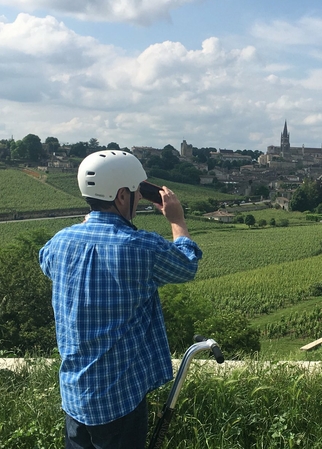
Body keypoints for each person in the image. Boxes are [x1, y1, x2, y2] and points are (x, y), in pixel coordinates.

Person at [39, 150, 202, 449]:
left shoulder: (60, 242)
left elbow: (46, 262)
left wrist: (89, 228)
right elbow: (187, 264)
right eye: (137, 192)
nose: (139, 198)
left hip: (75, 396)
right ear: (121, 197)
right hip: (119, 399)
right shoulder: (141, 247)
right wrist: (177, 220)